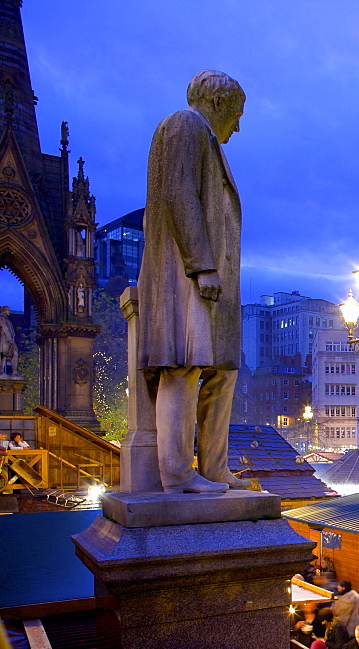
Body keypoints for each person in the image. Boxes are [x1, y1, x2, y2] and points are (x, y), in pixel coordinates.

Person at [137, 70, 251, 493]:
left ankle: (215, 468)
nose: (237, 126)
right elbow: (178, 192)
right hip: (190, 273)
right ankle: (179, 474)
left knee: (224, 369)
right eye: (236, 115)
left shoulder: (204, 138)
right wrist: (201, 264)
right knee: (183, 367)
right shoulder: (184, 125)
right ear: (217, 103)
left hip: (214, 282)